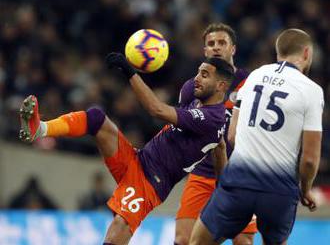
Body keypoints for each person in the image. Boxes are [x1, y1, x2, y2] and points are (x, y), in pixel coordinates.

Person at [19, 54, 234, 245]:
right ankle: (40, 129)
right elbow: (220, 145)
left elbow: (156, 109)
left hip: (151, 182)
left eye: (204, 75)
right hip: (137, 160)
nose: (197, 78)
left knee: (117, 232)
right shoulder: (200, 103)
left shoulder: (212, 118)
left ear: (221, 86)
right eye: (198, 72)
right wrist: (222, 184)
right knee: (96, 119)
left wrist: (130, 73)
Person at [189, 28, 324, 245]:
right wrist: (306, 189)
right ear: (307, 53)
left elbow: (231, 135)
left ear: (278, 51)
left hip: (238, 183)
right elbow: (309, 160)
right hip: (278, 191)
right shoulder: (312, 90)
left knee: (197, 242)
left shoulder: (255, 76)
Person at [175, 23, 257, 245]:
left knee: (243, 241)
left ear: (233, 49)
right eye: (211, 44)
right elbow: (180, 131)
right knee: (183, 239)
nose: (216, 47)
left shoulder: (251, 84)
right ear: (204, 51)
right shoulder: (191, 88)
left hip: (240, 175)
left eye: (222, 43)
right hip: (202, 174)